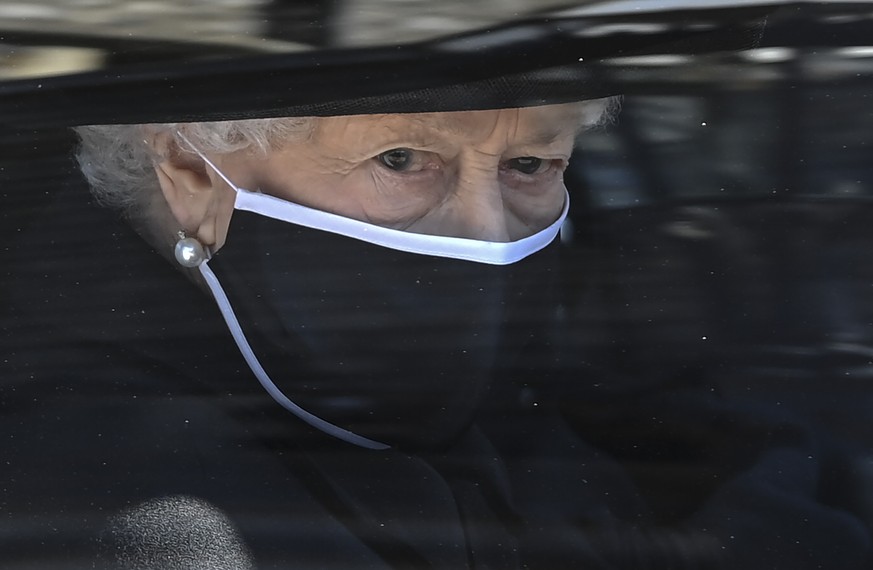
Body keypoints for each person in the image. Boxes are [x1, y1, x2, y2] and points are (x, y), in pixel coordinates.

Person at [1, 100, 871, 569]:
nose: (488, 231)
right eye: (403, 159)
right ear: (191, 168)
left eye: (530, 165)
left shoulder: (567, 334)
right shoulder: (99, 496)